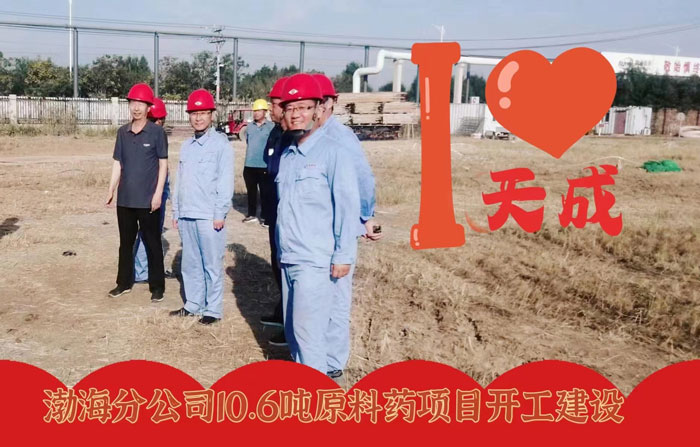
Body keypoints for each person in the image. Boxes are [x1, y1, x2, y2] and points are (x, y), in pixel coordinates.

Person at [275, 73, 360, 373]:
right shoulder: (289, 155)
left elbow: (347, 208)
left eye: (303, 107)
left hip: (316, 260)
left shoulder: (334, 152)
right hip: (289, 256)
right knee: (294, 332)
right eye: (290, 108)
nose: (295, 114)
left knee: (308, 334)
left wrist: (343, 256)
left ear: (317, 109)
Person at [311, 73, 383, 378]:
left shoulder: (340, 136)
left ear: (332, 103)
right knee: (316, 296)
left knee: (337, 299)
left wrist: (367, 216)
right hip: (317, 228)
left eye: (324, 101)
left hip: (341, 227)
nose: (319, 107)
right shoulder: (309, 137)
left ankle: (333, 365)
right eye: (314, 102)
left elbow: (364, 178)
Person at [169, 89, 234, 325]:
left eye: (203, 113)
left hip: (208, 216)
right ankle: (193, 304)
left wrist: (220, 213)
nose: (198, 118)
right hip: (187, 213)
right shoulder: (187, 146)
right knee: (190, 263)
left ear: (211, 115)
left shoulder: (221, 145)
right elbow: (180, 180)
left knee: (211, 263)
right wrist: (176, 210)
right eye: (194, 113)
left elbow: (225, 182)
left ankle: (212, 309)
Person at [106, 83, 167, 302]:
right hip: (125, 200)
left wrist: (158, 194)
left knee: (152, 243)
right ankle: (123, 283)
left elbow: (163, 165)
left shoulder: (157, 132)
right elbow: (118, 163)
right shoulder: (122, 132)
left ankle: (157, 286)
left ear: (149, 107)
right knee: (125, 244)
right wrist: (111, 189)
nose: (136, 108)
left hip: (148, 200)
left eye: (141, 104)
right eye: (133, 103)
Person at [259, 77, 291, 346]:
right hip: (274, 212)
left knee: (288, 268)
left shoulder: (295, 136)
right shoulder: (275, 132)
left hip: (288, 214)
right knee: (277, 263)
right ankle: (282, 312)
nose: (271, 108)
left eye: (275, 104)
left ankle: (289, 324)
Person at [133, 97, 171, 283]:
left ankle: (146, 269)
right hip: (153, 189)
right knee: (149, 232)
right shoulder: (152, 135)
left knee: (148, 231)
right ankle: (143, 272)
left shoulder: (142, 134)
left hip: (152, 188)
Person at [242, 99, 274, 224]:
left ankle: (265, 217)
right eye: (254, 111)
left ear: (265, 112)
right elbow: (248, 141)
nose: (256, 113)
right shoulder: (249, 127)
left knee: (265, 193)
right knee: (251, 192)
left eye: (258, 111)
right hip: (249, 165)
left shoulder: (271, 127)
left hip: (264, 165)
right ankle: (251, 214)